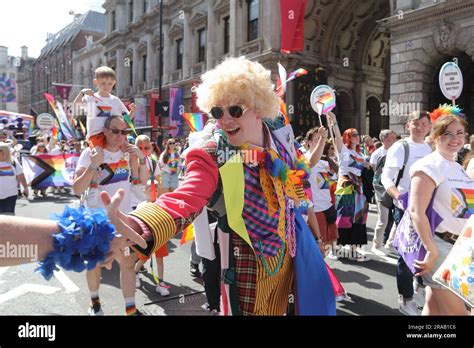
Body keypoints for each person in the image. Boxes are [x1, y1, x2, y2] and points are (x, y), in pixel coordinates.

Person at [112, 57, 336, 315]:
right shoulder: (213, 152)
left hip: (289, 260)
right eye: (218, 112)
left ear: (258, 107)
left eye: (235, 110)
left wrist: (315, 234)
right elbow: (187, 197)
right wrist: (139, 225)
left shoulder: (278, 136)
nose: (225, 120)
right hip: (248, 272)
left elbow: (297, 178)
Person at [73, 115, 148, 316]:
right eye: (115, 131)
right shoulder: (90, 153)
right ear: (105, 131)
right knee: (95, 263)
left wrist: (140, 158)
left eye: (124, 132)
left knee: (128, 263)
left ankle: (130, 309)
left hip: (122, 221)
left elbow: (141, 183)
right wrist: (93, 165)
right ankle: (95, 302)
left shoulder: (128, 153)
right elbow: (77, 189)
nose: (120, 136)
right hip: (97, 222)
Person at [408, 106, 471, 315]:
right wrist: (431, 249)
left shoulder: (456, 166)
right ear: (435, 136)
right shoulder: (428, 166)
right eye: (448, 133)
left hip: (459, 248)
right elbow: (416, 210)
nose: (455, 138)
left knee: (433, 307)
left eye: (459, 133)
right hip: (439, 247)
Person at [381, 110, 432, 316]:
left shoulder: (429, 148)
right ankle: (406, 299)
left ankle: (419, 286)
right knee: (405, 253)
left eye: (423, 123)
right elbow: (387, 178)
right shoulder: (400, 147)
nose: (419, 127)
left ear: (429, 126)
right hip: (404, 207)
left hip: (426, 207)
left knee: (424, 249)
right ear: (407, 126)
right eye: (415, 123)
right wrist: (400, 198)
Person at [327, 113, 370, 262]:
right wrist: (334, 122)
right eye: (354, 135)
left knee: (358, 220)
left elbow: (369, 166)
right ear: (348, 137)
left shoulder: (360, 154)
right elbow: (337, 138)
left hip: (359, 191)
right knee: (342, 219)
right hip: (345, 189)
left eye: (358, 134)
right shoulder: (343, 152)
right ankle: (334, 249)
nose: (357, 137)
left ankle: (352, 250)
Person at [73, 66, 136, 149]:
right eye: (103, 83)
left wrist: (132, 111)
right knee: (97, 155)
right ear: (96, 82)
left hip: (115, 135)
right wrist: (82, 93)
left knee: (130, 151)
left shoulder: (115, 100)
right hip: (96, 136)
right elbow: (75, 107)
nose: (106, 86)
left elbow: (126, 120)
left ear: (114, 83)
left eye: (110, 84)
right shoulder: (90, 98)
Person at [305, 127, 339, 260]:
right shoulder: (304, 159)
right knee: (319, 246)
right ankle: (320, 271)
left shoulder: (325, 161)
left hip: (328, 206)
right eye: (316, 139)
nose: (320, 142)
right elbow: (310, 164)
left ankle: (323, 268)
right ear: (308, 143)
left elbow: (330, 183)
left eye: (321, 139)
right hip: (315, 209)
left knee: (331, 241)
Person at [370, 129, 397, 256]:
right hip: (382, 189)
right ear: (385, 139)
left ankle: (390, 243)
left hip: (395, 188)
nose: (395, 139)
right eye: (393, 137)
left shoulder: (397, 151)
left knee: (398, 218)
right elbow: (376, 173)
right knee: (383, 219)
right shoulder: (377, 153)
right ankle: (376, 244)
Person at [0, 142, 29, 214]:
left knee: (8, 216)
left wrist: (25, 188)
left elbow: (21, 175)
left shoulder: (13, 162)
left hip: (11, 194)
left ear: (4, 152)